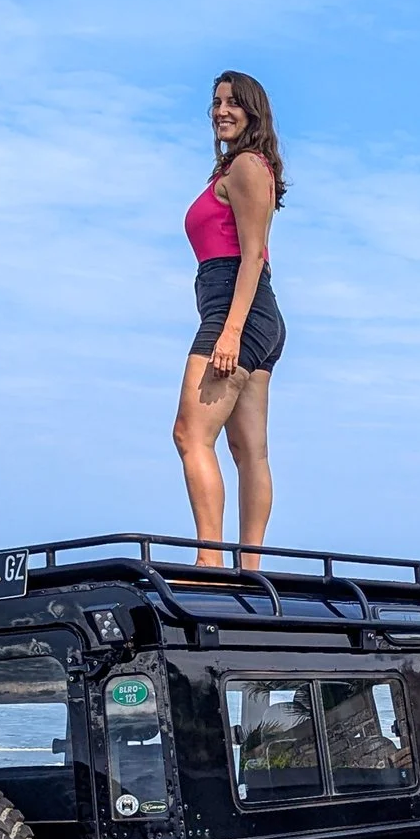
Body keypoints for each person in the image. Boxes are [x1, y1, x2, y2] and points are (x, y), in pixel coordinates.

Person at [173, 71, 286, 569]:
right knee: (248, 450)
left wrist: (231, 330)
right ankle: (250, 570)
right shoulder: (240, 169)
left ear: (253, 111)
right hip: (249, 310)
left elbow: (253, 255)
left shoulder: (245, 166)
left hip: (236, 309)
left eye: (233, 103)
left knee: (190, 434)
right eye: (215, 102)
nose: (221, 110)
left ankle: (210, 564)